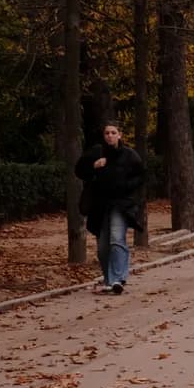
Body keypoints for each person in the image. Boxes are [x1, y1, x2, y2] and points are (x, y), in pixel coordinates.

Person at [73, 121, 145, 295]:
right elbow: (79, 171)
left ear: (120, 135)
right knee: (103, 247)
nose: (110, 136)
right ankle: (108, 280)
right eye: (107, 133)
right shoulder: (96, 152)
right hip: (100, 205)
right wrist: (93, 166)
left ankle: (118, 279)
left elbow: (141, 176)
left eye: (113, 132)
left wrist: (125, 187)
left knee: (116, 238)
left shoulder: (129, 155)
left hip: (121, 204)